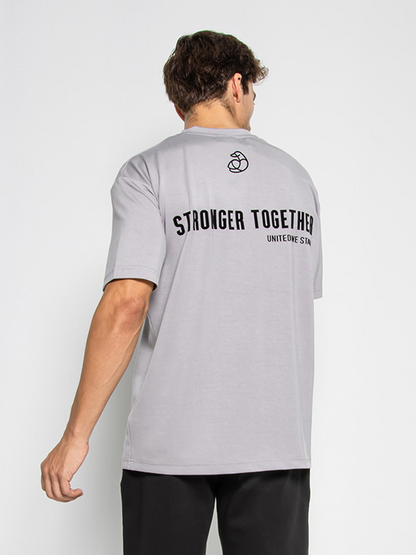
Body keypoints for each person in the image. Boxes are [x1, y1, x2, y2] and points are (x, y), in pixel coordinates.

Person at [41, 30, 323, 555]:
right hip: (277, 445)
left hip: (169, 446)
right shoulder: (296, 180)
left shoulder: (148, 172)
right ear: (237, 85)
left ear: (179, 104)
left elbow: (127, 302)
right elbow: (287, 301)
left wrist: (75, 436)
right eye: (253, 91)